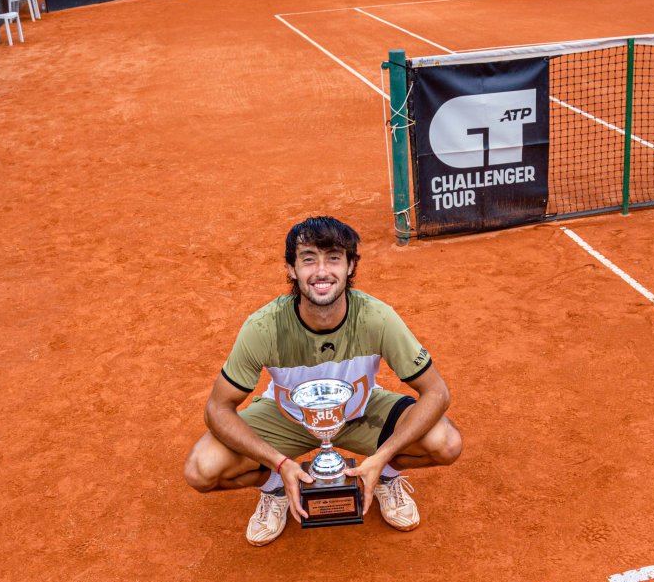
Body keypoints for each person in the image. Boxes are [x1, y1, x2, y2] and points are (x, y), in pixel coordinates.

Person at [184, 216, 462, 546]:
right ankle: (274, 486)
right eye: (308, 259)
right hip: (286, 417)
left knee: (446, 443)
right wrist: (279, 463)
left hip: (359, 412)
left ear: (350, 265)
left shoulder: (377, 317)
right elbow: (217, 408)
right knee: (201, 469)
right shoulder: (264, 327)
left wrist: (383, 456)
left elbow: (436, 392)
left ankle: (384, 476)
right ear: (291, 269)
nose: (321, 271)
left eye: (333, 258)